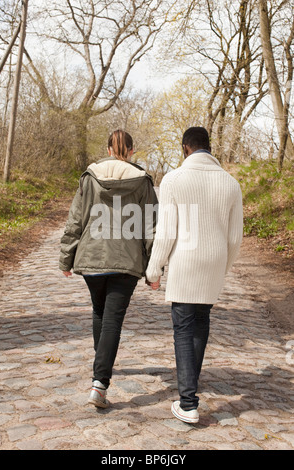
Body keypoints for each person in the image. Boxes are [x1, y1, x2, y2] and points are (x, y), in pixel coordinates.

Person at [146, 127, 243, 424]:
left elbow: (166, 232)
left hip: (186, 261)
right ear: (208, 147)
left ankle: (188, 403)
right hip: (214, 260)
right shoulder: (230, 183)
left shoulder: (174, 179)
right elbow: (235, 238)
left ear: (185, 147)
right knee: (200, 324)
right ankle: (189, 395)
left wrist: (154, 268)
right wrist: (222, 267)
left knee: (184, 329)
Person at [59, 129, 158, 408]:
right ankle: (99, 384)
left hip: (92, 257)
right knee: (112, 318)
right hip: (126, 261)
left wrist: (67, 257)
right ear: (130, 151)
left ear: (109, 149)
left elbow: (76, 220)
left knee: (100, 311)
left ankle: (101, 363)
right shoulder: (142, 182)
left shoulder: (90, 177)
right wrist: (154, 268)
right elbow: (151, 226)